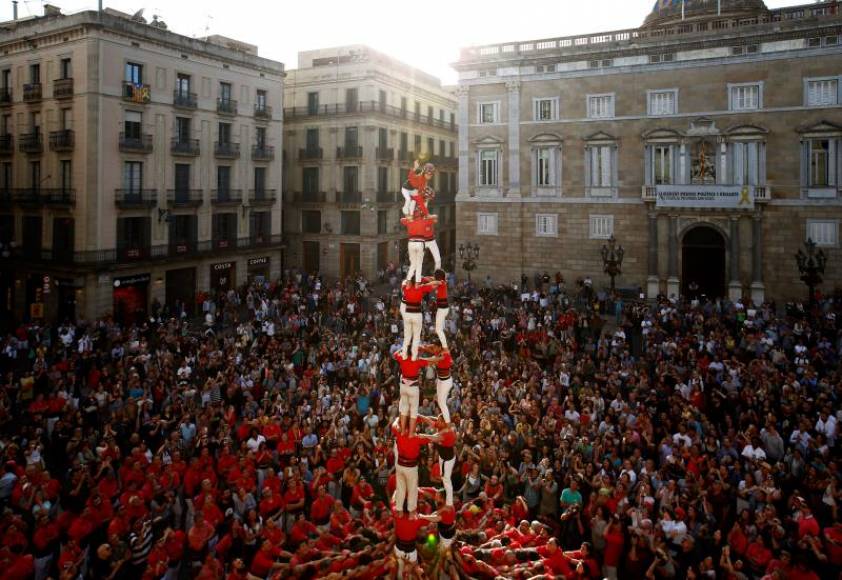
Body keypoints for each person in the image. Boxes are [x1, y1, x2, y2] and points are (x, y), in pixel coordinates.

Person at [391, 416, 440, 517]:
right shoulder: (417, 438)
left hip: (400, 465)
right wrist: (442, 429)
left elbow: (394, 424)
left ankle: (400, 513)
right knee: (413, 492)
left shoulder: (399, 431)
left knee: (401, 491)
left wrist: (397, 419)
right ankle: (411, 516)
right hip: (411, 467)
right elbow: (435, 437)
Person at [399, 278, 440, 361]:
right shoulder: (421, 288)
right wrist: (438, 281)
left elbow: (403, 283)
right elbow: (435, 285)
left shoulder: (406, 287)